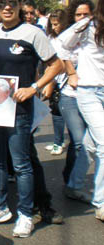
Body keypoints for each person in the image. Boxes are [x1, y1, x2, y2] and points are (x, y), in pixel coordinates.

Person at [0, 0, 63, 237]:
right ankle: (0, 206)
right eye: (2, 2)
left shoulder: (33, 33)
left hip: (19, 110)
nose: (7, 7)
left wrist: (33, 88)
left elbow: (56, 65)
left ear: (19, 5)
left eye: (12, 2)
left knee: (21, 164)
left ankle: (26, 213)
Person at [60, 0, 104, 221]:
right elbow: (61, 45)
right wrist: (72, 72)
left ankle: (74, 184)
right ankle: (102, 202)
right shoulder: (89, 26)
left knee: (88, 144)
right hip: (88, 91)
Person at [43, 9, 70, 155]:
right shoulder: (50, 38)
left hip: (65, 81)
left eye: (57, 24)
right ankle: (58, 142)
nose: (54, 28)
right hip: (53, 80)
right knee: (56, 112)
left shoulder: (69, 38)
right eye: (52, 25)